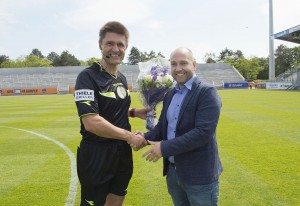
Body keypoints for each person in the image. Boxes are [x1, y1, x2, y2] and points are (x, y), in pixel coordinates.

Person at [74, 21, 147, 206]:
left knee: (116, 201)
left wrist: (134, 112)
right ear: (101, 45)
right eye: (110, 43)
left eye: (120, 44)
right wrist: (129, 136)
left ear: (126, 47)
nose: (115, 49)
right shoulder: (87, 76)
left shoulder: (121, 78)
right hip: (97, 154)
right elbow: (92, 122)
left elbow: (110, 107)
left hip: (122, 152)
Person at [139, 47, 223, 206]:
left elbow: (202, 133)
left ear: (194, 64)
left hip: (199, 175)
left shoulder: (207, 92)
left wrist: (164, 148)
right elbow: (163, 127)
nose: (178, 69)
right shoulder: (170, 93)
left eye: (183, 63)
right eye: (173, 64)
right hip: (173, 173)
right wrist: (143, 137)